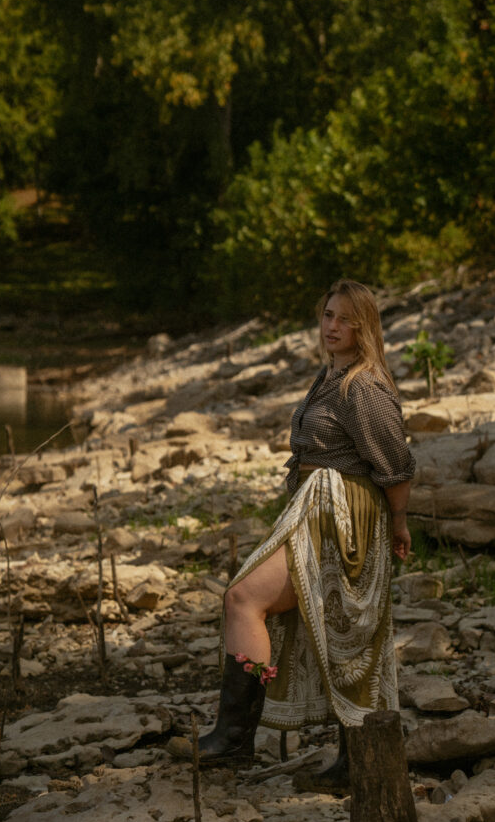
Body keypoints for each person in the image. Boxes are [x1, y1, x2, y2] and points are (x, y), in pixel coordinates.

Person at [169, 279, 415, 789]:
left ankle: (239, 739)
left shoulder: (363, 387)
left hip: (344, 513)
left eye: (345, 319)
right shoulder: (331, 377)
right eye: (328, 315)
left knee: (252, 600)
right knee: (320, 623)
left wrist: (398, 522)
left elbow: (396, 464)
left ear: (365, 326)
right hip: (315, 506)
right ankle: (246, 738)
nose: (333, 326)